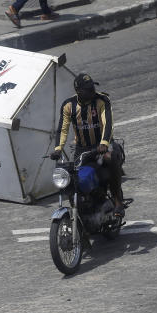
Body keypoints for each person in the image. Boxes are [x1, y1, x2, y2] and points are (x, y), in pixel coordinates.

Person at [50, 73, 126, 219]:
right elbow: (63, 129)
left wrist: (104, 143)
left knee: (110, 158)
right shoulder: (68, 106)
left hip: (103, 145)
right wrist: (58, 149)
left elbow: (108, 123)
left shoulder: (102, 100)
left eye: (92, 87)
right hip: (82, 149)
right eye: (88, 89)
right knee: (74, 178)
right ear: (78, 91)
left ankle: (118, 202)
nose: (92, 91)